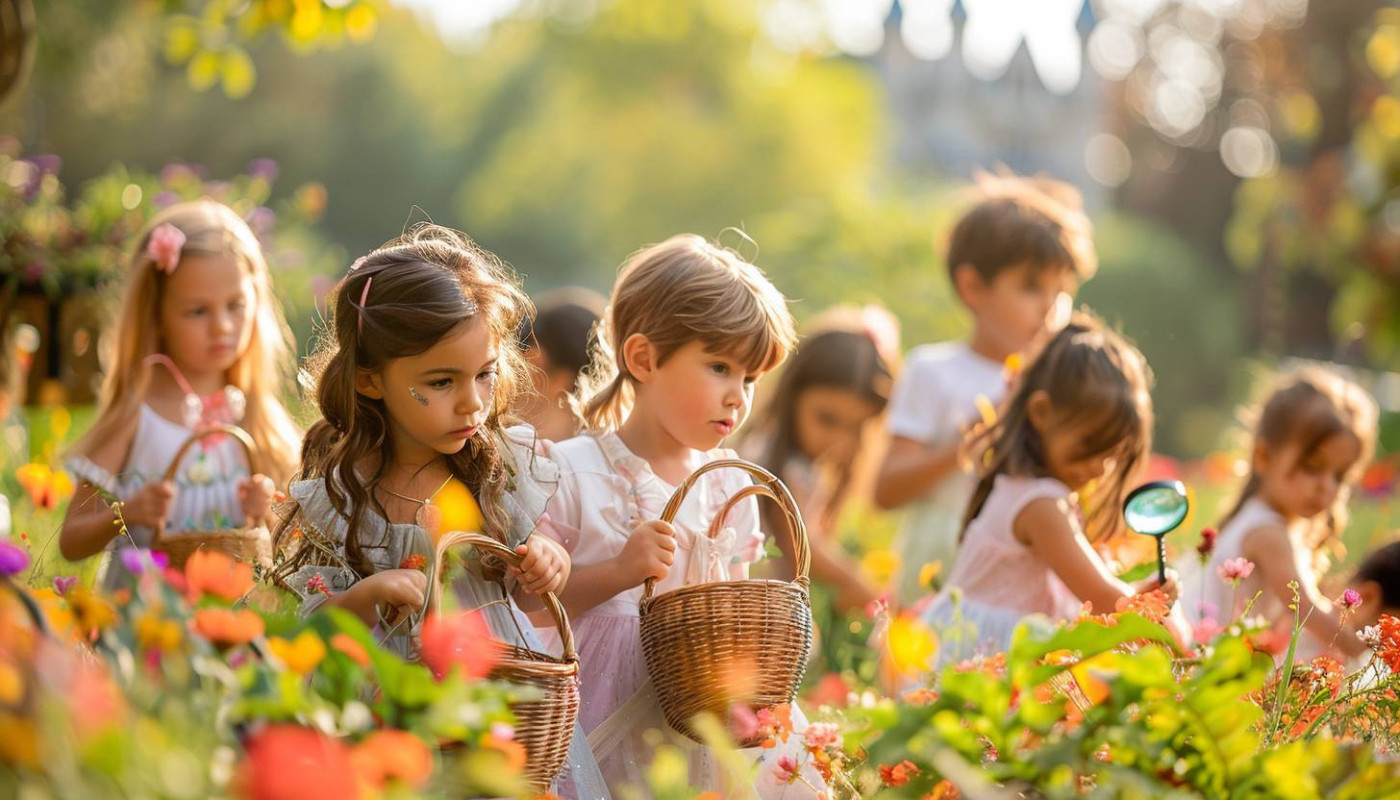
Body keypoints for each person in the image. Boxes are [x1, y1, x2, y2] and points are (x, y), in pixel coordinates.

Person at [875, 172, 1096, 606]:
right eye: (1032, 287)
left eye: (1061, 289)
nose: (1050, 307)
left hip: (1026, 561)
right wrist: (973, 436)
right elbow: (886, 490)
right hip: (941, 561)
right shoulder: (933, 370)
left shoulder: (1058, 383)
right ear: (973, 286)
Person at [61, 200, 298, 589]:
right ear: (156, 316)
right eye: (197, 311)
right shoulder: (138, 416)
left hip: (227, 622)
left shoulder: (252, 416)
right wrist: (126, 513)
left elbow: (289, 548)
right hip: (142, 625)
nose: (222, 326)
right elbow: (71, 541)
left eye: (235, 305)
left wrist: (265, 512)